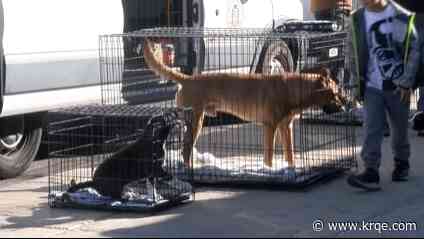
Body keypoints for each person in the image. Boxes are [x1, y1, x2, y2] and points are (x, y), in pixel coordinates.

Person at [347, 0, 420, 191]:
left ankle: (401, 163)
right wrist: (356, 85)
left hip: (397, 87)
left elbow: (413, 50)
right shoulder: (357, 19)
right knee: (372, 128)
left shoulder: (399, 16)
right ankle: (371, 171)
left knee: (400, 130)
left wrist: (406, 82)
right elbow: (352, 53)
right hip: (371, 86)